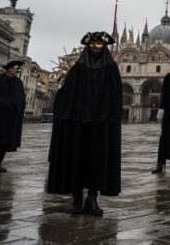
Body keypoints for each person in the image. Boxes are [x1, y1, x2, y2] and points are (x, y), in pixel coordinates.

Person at [47, 31, 123, 216]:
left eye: (99, 44)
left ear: (104, 47)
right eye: (92, 44)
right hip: (78, 124)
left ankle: (92, 198)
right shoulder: (77, 70)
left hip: (101, 125)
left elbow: (116, 96)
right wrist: (62, 92)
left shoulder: (111, 69)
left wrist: (109, 114)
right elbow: (67, 95)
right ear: (87, 46)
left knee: (98, 160)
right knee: (77, 158)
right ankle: (77, 198)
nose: (96, 48)